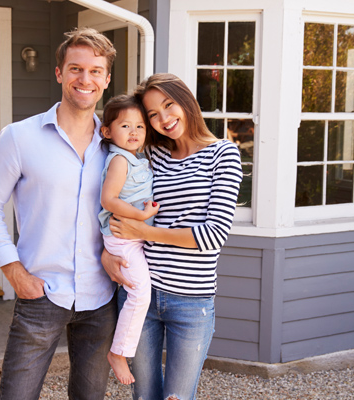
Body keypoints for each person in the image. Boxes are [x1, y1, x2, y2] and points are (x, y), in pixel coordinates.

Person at [0, 27, 117, 400]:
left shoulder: (115, 145)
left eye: (95, 71)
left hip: (101, 297)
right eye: (75, 69)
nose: (84, 79)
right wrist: (13, 270)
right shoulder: (20, 137)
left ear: (106, 78)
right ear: (59, 73)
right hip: (40, 293)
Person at [103, 73, 243, 400]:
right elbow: (111, 195)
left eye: (168, 105)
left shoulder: (223, 154)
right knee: (145, 395)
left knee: (177, 397)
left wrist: (144, 230)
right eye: (152, 114)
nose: (163, 119)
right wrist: (105, 252)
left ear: (187, 101)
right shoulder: (152, 155)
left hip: (192, 303)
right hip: (142, 293)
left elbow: (213, 235)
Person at [97, 94, 159, 385]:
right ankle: (118, 353)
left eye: (140, 127)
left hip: (131, 237)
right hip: (123, 238)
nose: (134, 132)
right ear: (107, 131)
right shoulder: (120, 160)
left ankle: (121, 350)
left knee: (138, 290)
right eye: (125, 126)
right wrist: (140, 216)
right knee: (140, 293)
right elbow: (108, 199)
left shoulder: (138, 159)